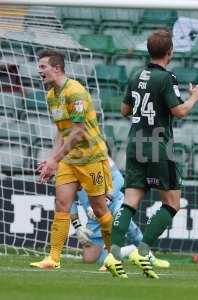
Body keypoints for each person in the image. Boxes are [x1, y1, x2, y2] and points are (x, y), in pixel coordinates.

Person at [104, 29, 198, 279]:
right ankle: (143, 250)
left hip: (135, 141)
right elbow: (179, 111)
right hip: (158, 144)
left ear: (149, 51)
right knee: (172, 203)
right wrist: (195, 97)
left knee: (129, 202)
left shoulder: (136, 74)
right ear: (169, 53)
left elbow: (124, 109)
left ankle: (113, 255)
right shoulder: (166, 78)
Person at [30, 50, 113, 269]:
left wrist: (54, 160)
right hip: (69, 160)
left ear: (56, 68)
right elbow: (61, 131)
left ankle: (111, 255)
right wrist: (52, 158)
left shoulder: (75, 92)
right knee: (61, 203)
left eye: (43, 67)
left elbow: (77, 133)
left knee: (99, 210)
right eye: (39, 67)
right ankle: (53, 258)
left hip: (91, 157)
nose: (39, 71)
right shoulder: (51, 96)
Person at [70, 157, 170, 269]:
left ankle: (150, 256)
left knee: (124, 221)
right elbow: (68, 199)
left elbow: (119, 179)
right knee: (90, 258)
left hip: (114, 200)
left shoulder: (99, 155)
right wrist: (77, 226)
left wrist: (105, 200)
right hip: (95, 214)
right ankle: (129, 251)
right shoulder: (68, 166)